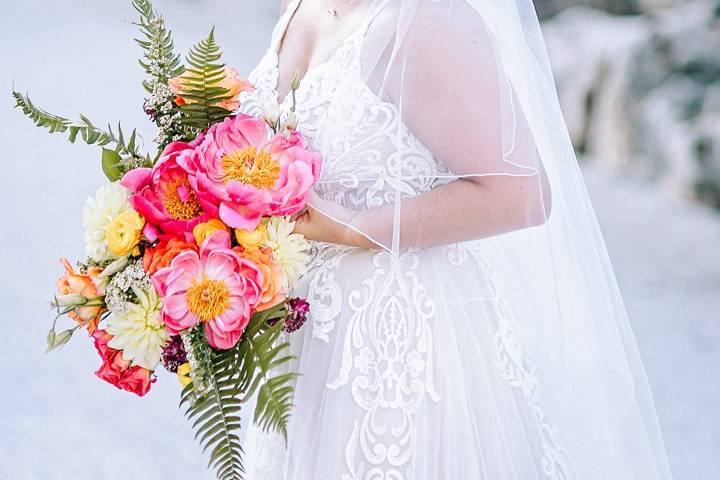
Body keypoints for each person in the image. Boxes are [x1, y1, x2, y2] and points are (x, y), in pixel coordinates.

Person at [239, 1, 674, 478]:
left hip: (396, 361)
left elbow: (521, 192)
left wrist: (353, 226)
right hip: (294, 346)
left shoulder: (428, 19)